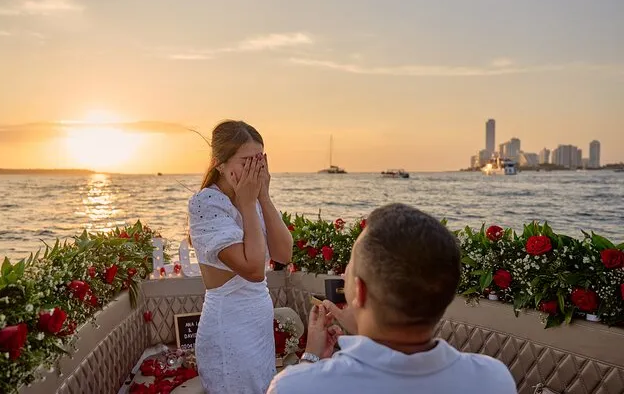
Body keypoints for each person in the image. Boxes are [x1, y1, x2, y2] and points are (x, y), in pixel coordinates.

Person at [268, 203, 517, 394]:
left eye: (348, 270)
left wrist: (311, 358)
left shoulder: (297, 386)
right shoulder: (493, 380)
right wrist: (364, 327)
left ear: (360, 291)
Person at [188, 120, 293, 394]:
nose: (254, 170)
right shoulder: (205, 203)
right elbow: (254, 269)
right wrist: (247, 203)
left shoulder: (253, 199)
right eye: (246, 162)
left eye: (259, 161)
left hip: (258, 322)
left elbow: (284, 253)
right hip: (229, 327)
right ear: (219, 164)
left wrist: (263, 197)